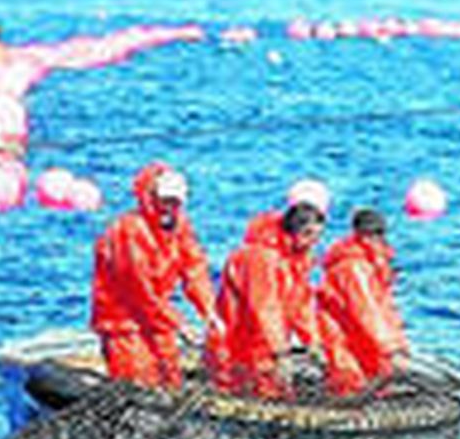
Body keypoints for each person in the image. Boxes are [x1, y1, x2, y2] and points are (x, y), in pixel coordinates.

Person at [90, 163, 218, 390]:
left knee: (170, 378)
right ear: (150, 196)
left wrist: (209, 311)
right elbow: (139, 291)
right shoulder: (128, 231)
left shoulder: (179, 228)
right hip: (124, 324)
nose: (169, 208)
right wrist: (179, 324)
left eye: (175, 202)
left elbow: (195, 269)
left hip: (158, 320)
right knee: (137, 382)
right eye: (165, 200)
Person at [208, 180, 329, 400]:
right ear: (298, 231)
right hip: (239, 348)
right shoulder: (261, 256)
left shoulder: (297, 258)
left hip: (265, 347)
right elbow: (265, 308)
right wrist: (280, 352)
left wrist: (313, 342)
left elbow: (301, 304)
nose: (315, 244)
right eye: (311, 236)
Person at [317, 209, 409, 398]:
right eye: (369, 234)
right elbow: (366, 311)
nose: (374, 239)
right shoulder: (352, 268)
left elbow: (385, 309)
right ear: (359, 235)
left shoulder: (374, 263)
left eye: (378, 233)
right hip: (345, 342)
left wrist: (399, 344)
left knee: (378, 381)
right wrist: (391, 349)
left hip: (367, 341)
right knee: (350, 385)